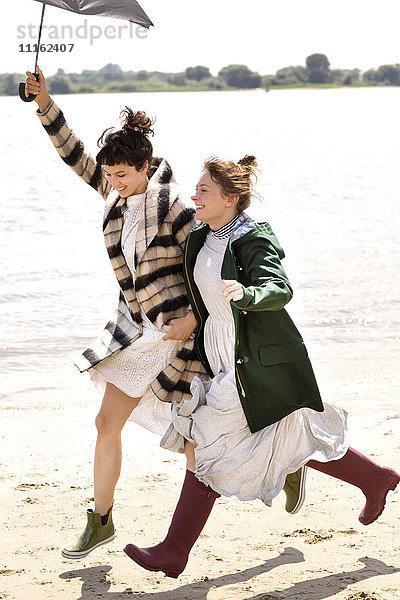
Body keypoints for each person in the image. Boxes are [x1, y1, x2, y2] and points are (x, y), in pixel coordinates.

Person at [23, 73, 305, 560]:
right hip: (137, 334)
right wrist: (45, 103)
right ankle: (101, 521)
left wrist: (195, 321)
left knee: (200, 445)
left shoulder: (174, 208)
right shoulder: (114, 193)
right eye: (109, 175)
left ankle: (284, 462)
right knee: (105, 422)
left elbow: (205, 265)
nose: (114, 183)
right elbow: (73, 155)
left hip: (181, 336)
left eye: (124, 175)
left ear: (146, 166)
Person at [124, 155, 400, 578]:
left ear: (231, 199)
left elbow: (278, 287)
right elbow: (206, 297)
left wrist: (248, 294)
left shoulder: (251, 239)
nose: (194, 196)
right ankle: (376, 478)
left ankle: (173, 550)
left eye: (204, 191)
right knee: (288, 433)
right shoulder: (201, 235)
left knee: (207, 440)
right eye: (195, 188)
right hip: (219, 355)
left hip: (254, 359)